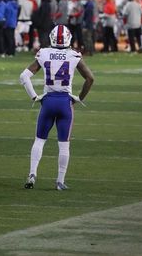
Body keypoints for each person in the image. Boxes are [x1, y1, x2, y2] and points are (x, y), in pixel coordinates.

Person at [20, 24, 94, 191]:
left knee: (39, 140)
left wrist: (34, 96)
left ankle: (32, 174)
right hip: (64, 103)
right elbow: (90, 78)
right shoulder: (73, 55)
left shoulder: (44, 53)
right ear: (68, 38)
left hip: (48, 101)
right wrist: (79, 98)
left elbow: (24, 76)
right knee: (64, 144)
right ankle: (59, 181)